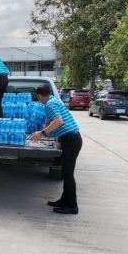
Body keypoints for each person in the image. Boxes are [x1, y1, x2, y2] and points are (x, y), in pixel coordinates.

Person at [31, 83, 82, 215]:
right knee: (66, 173)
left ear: (39, 96)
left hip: (71, 140)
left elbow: (58, 121)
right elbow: (50, 120)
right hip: (70, 139)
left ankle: (72, 206)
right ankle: (64, 200)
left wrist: (42, 133)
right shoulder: (53, 101)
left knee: (68, 174)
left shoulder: (50, 104)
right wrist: (44, 128)